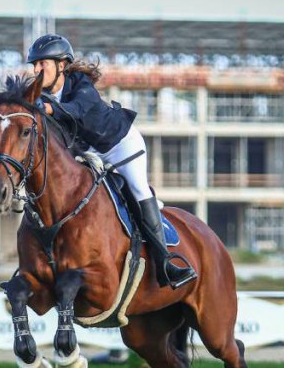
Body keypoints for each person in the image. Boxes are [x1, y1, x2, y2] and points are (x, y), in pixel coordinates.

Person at [26, 34, 197, 290]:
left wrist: (48, 109)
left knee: (138, 189)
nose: (37, 70)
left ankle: (166, 263)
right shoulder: (40, 95)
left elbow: (78, 110)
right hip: (88, 153)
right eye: (34, 65)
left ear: (62, 65)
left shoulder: (81, 85)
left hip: (120, 145)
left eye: (43, 64)